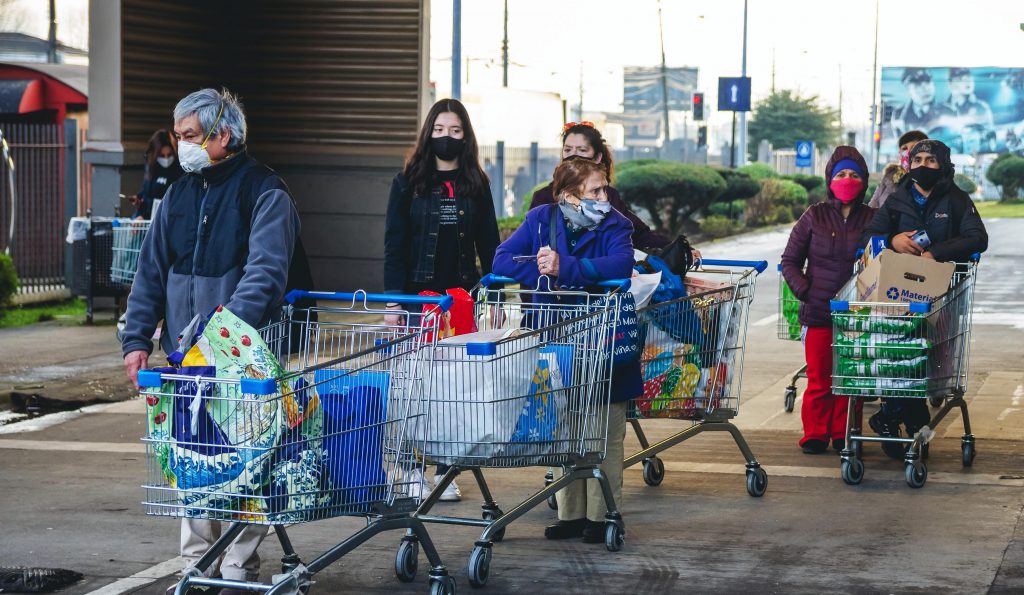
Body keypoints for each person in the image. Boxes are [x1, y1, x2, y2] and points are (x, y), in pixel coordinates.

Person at [120, 88, 301, 595]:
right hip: (187, 358)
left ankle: (237, 567)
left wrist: (222, 337)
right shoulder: (177, 194)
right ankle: (197, 565)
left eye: (190, 136)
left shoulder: (265, 191)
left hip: (247, 357)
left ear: (223, 135)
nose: (180, 146)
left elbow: (265, 273)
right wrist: (137, 338)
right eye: (178, 137)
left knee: (249, 467)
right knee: (193, 462)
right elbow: (150, 272)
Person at [493, 157, 637, 543]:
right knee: (566, 427)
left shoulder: (616, 224)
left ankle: (603, 516)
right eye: (594, 191)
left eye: (603, 189)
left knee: (604, 431)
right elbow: (502, 259)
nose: (603, 197)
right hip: (557, 340)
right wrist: (544, 270)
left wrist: (565, 267)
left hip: (605, 341)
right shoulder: (541, 219)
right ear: (570, 197)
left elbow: (621, 265)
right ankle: (571, 515)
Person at [383, 98, 500, 503]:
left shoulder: (477, 184)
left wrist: (495, 293)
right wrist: (394, 303)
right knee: (415, 387)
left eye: (455, 131)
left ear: (465, 136)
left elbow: (490, 244)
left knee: (457, 388)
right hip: (419, 301)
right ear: (427, 133)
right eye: (439, 130)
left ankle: (447, 467)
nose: (446, 138)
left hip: (462, 301)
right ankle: (413, 469)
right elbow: (394, 247)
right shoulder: (407, 183)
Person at [860, 139, 988, 456]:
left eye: (931, 160)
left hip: (942, 295)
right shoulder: (898, 199)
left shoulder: (956, 200)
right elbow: (869, 236)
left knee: (923, 360)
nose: (923, 165)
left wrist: (936, 253)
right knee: (902, 355)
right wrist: (893, 239)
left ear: (943, 165)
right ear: (909, 164)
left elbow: (977, 238)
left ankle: (892, 417)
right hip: (898, 296)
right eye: (917, 159)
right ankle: (911, 423)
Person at [781, 147, 877, 454]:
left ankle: (844, 431)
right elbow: (789, 261)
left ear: (863, 181)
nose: (847, 180)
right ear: (830, 179)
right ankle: (816, 433)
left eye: (854, 175)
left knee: (851, 378)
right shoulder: (814, 215)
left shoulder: (874, 218)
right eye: (841, 174)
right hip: (819, 311)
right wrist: (805, 291)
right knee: (819, 378)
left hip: (859, 312)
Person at [529, 122, 673, 254]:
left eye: (582, 150)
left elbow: (638, 234)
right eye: (567, 150)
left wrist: (676, 248)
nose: (573, 156)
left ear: (597, 158)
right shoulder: (542, 198)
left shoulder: (610, 198)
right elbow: (525, 249)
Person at [130, 129, 183, 219]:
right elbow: (148, 191)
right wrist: (140, 198)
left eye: (169, 155)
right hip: (147, 221)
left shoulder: (179, 172)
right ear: (154, 155)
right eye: (162, 155)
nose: (166, 159)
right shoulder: (151, 167)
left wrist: (143, 215)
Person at [869, 130, 927, 209]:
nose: (908, 152)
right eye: (904, 148)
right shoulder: (890, 176)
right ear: (899, 152)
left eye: (914, 147)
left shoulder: (929, 177)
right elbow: (873, 204)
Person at [891, 69, 954, 141]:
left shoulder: (947, 111)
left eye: (928, 82)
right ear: (908, 89)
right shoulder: (899, 114)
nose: (926, 89)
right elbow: (899, 143)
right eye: (918, 84)